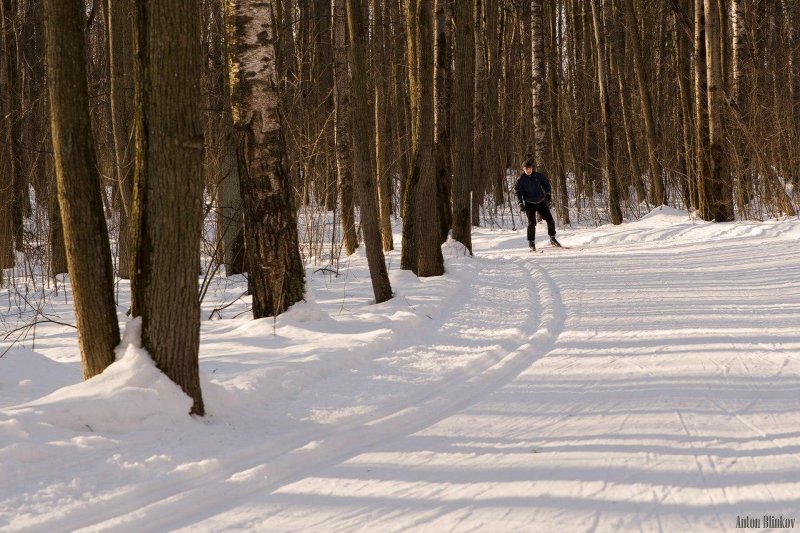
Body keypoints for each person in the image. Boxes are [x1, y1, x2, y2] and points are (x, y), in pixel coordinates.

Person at [515, 159, 561, 251]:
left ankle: (552, 238)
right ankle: (531, 243)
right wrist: (520, 203)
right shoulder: (521, 180)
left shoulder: (538, 176)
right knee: (532, 223)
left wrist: (548, 194)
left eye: (530, 168)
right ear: (524, 169)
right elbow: (518, 192)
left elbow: (546, 184)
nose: (529, 170)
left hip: (540, 201)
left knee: (550, 220)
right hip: (529, 203)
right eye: (527, 169)